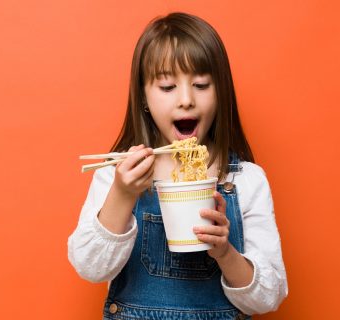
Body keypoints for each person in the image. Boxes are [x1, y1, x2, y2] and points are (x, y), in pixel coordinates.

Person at [68, 12, 287, 320]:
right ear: (143, 97)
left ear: (221, 94)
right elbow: (90, 268)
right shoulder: (116, 174)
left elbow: (268, 298)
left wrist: (225, 252)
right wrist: (122, 194)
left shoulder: (246, 179)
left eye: (201, 84)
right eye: (168, 87)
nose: (186, 100)